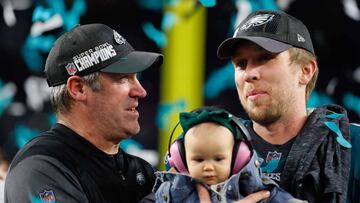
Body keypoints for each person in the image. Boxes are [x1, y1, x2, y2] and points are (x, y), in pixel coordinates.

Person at [5, 23, 163, 203]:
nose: (141, 91)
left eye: (137, 78)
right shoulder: (39, 167)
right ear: (79, 88)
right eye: (123, 79)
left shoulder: (139, 171)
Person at [217, 9, 357, 203]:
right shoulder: (209, 144)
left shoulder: (353, 145)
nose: (248, 74)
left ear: (305, 71)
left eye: (265, 57)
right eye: (241, 63)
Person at [153, 106, 306, 203]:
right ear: (181, 161)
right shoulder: (172, 192)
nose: (207, 167)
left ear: (238, 157)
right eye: (198, 159)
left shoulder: (252, 186)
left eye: (218, 159)